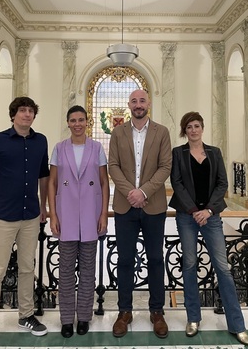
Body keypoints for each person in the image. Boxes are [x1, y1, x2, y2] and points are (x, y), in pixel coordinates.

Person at [169, 111, 248, 346]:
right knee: (189, 264)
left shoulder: (214, 153)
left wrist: (208, 211)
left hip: (212, 217)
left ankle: (237, 325)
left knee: (223, 268)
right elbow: (176, 182)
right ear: (184, 131)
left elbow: (222, 183)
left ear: (202, 128)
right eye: (189, 127)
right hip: (187, 216)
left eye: (196, 126)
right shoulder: (179, 153)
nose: (193, 130)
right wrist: (194, 210)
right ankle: (193, 318)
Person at [0, 97, 50, 349]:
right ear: (13, 115)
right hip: (3, 217)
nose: (27, 115)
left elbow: (43, 175)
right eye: (22, 111)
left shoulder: (40, 141)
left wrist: (43, 207)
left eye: (31, 111)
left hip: (30, 216)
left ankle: (26, 315)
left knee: (27, 268)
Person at [108, 89, 172, 339]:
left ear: (149, 104)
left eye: (142, 100)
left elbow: (165, 166)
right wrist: (130, 193)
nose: (138, 104)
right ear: (129, 105)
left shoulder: (162, 132)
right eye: (134, 101)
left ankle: (157, 311)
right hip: (125, 207)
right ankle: (125, 312)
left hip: (153, 206)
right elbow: (112, 165)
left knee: (156, 259)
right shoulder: (118, 132)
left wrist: (143, 192)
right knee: (125, 261)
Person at [48, 105, 109, 338]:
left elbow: (104, 183)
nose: (77, 124)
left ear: (87, 122)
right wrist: (53, 214)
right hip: (66, 216)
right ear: (68, 123)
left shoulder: (96, 148)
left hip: (91, 216)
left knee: (87, 271)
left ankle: (84, 316)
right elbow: (52, 182)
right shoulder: (59, 148)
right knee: (65, 271)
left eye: (81, 120)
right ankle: (66, 319)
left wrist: (103, 214)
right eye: (73, 120)